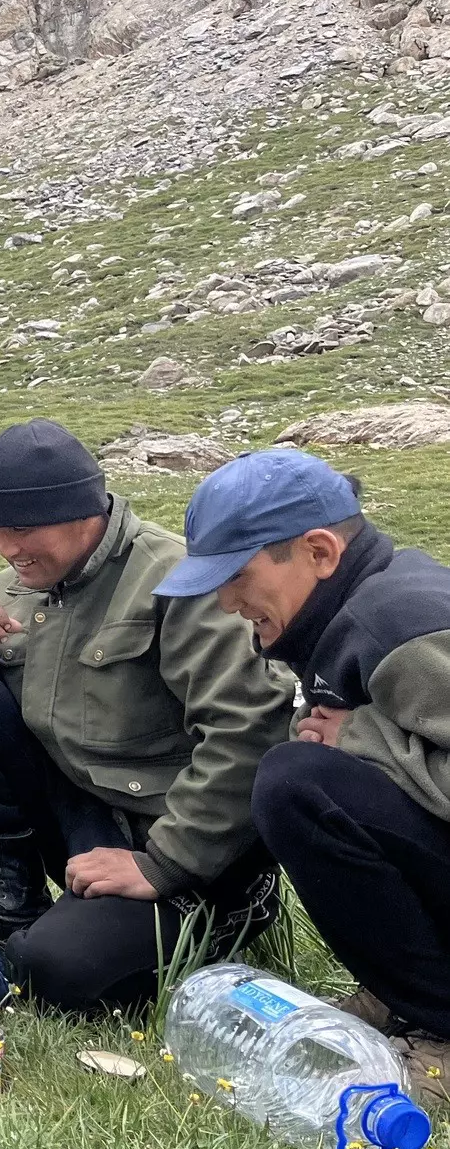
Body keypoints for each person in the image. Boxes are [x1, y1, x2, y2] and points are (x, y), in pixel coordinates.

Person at [0, 419, 293, 1012]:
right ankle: (14, 896)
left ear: (80, 512)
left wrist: (166, 865)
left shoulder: (178, 583)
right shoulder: (14, 589)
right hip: (83, 819)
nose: (6, 549)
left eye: (20, 528)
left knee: (52, 974)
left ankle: (231, 912)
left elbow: (251, 730)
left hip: (174, 842)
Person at [154, 447, 450, 1097]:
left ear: (319, 552)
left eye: (237, 575)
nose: (226, 601)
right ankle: (403, 994)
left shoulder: (398, 624)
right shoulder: (348, 613)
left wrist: (365, 739)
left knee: (296, 786)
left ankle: (441, 1030)